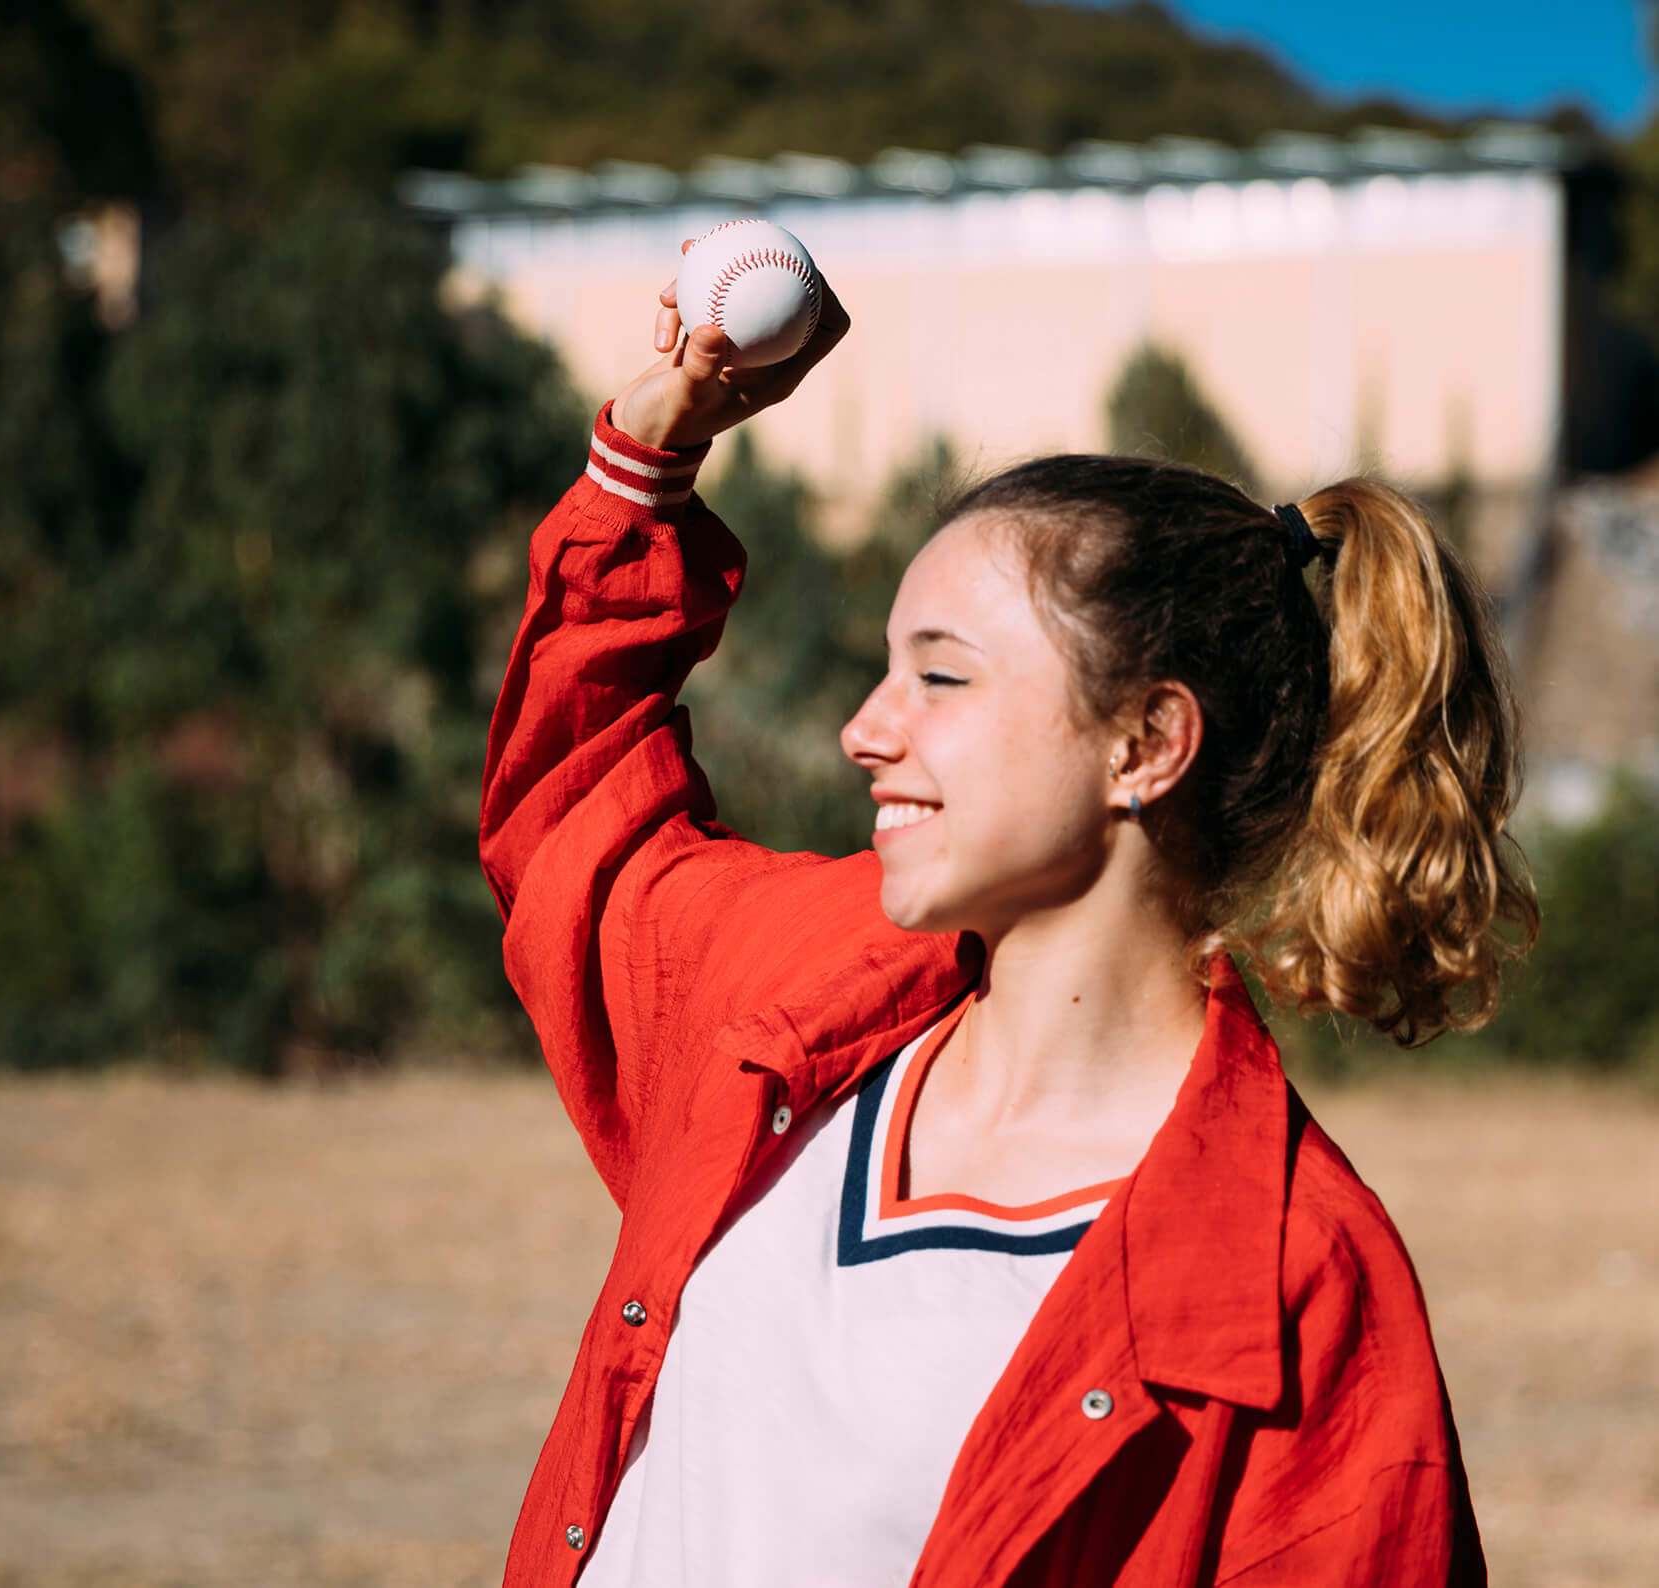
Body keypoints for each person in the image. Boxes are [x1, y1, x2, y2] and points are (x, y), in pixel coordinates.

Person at [479, 259, 1536, 1588]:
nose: (866, 730)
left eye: (939, 675)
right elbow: (579, 814)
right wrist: (644, 473)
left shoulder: (1294, 1287)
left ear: (1144, 742)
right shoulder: (794, 994)